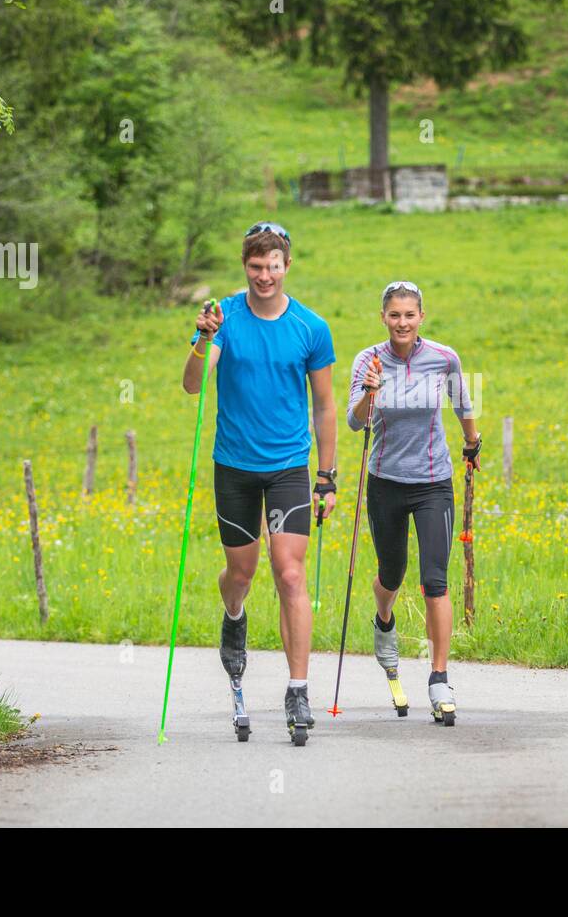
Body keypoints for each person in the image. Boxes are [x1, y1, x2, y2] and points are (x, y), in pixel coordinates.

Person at [182, 221, 338, 745]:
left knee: (289, 573)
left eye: (273, 266)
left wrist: (327, 476)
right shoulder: (223, 318)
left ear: (287, 266)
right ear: (244, 268)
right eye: (256, 267)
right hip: (235, 466)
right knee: (241, 573)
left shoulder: (311, 328)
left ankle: (298, 688)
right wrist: (202, 340)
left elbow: (324, 405)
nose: (265, 275)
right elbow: (192, 384)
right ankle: (234, 615)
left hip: (290, 466)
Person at [346, 280, 480, 725]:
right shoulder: (368, 360)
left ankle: (439, 678)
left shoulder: (444, 358)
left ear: (422, 316)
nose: (401, 322)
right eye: (394, 315)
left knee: (434, 580)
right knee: (391, 574)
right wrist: (369, 391)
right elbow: (353, 422)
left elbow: (462, 402)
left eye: (409, 314)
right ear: (383, 318)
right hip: (386, 482)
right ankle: (384, 618)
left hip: (433, 482)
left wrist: (473, 443)